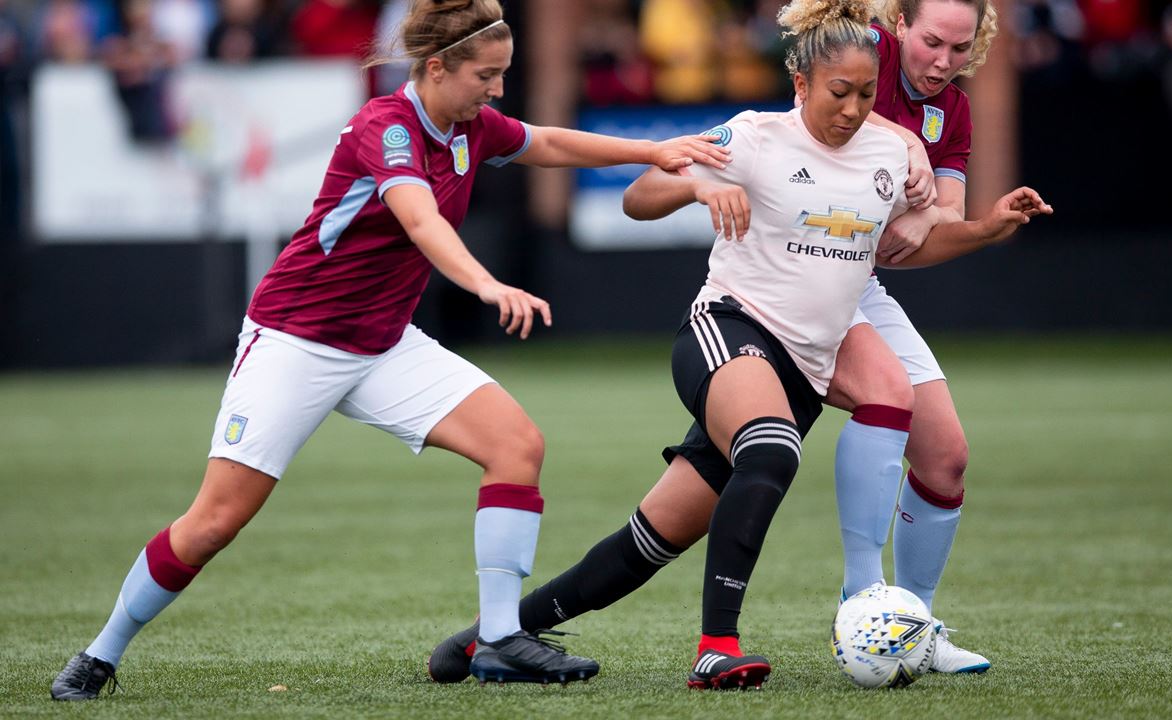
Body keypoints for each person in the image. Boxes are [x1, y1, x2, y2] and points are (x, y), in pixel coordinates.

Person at [49, 0, 730, 700]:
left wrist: (652, 151)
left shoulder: (469, 127)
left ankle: (499, 639)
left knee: (516, 444)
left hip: (381, 343)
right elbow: (420, 219)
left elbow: (547, 143)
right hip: (297, 340)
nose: (497, 90)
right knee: (214, 522)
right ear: (437, 67)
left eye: (503, 75)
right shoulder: (387, 127)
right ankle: (99, 654)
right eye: (486, 76)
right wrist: (486, 283)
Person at [426, 0, 1049, 690]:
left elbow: (922, 236)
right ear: (802, 84)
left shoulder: (887, 154)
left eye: (866, 95)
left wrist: (988, 227)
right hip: (730, 329)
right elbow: (639, 195)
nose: (853, 108)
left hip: (808, 359)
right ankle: (727, 642)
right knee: (780, 446)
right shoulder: (755, 135)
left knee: (652, 539)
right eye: (839, 92)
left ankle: (489, 638)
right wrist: (696, 187)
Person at [824, 0, 1003, 674]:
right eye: (932, 41)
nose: (943, 62)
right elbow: (817, 96)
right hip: (788, 272)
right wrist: (900, 144)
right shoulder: (865, 46)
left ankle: (912, 627)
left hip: (856, 285)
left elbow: (947, 211)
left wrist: (966, 221)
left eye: (960, 49)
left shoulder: (951, 110)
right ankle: (861, 602)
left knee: (947, 457)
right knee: (882, 398)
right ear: (897, 23)